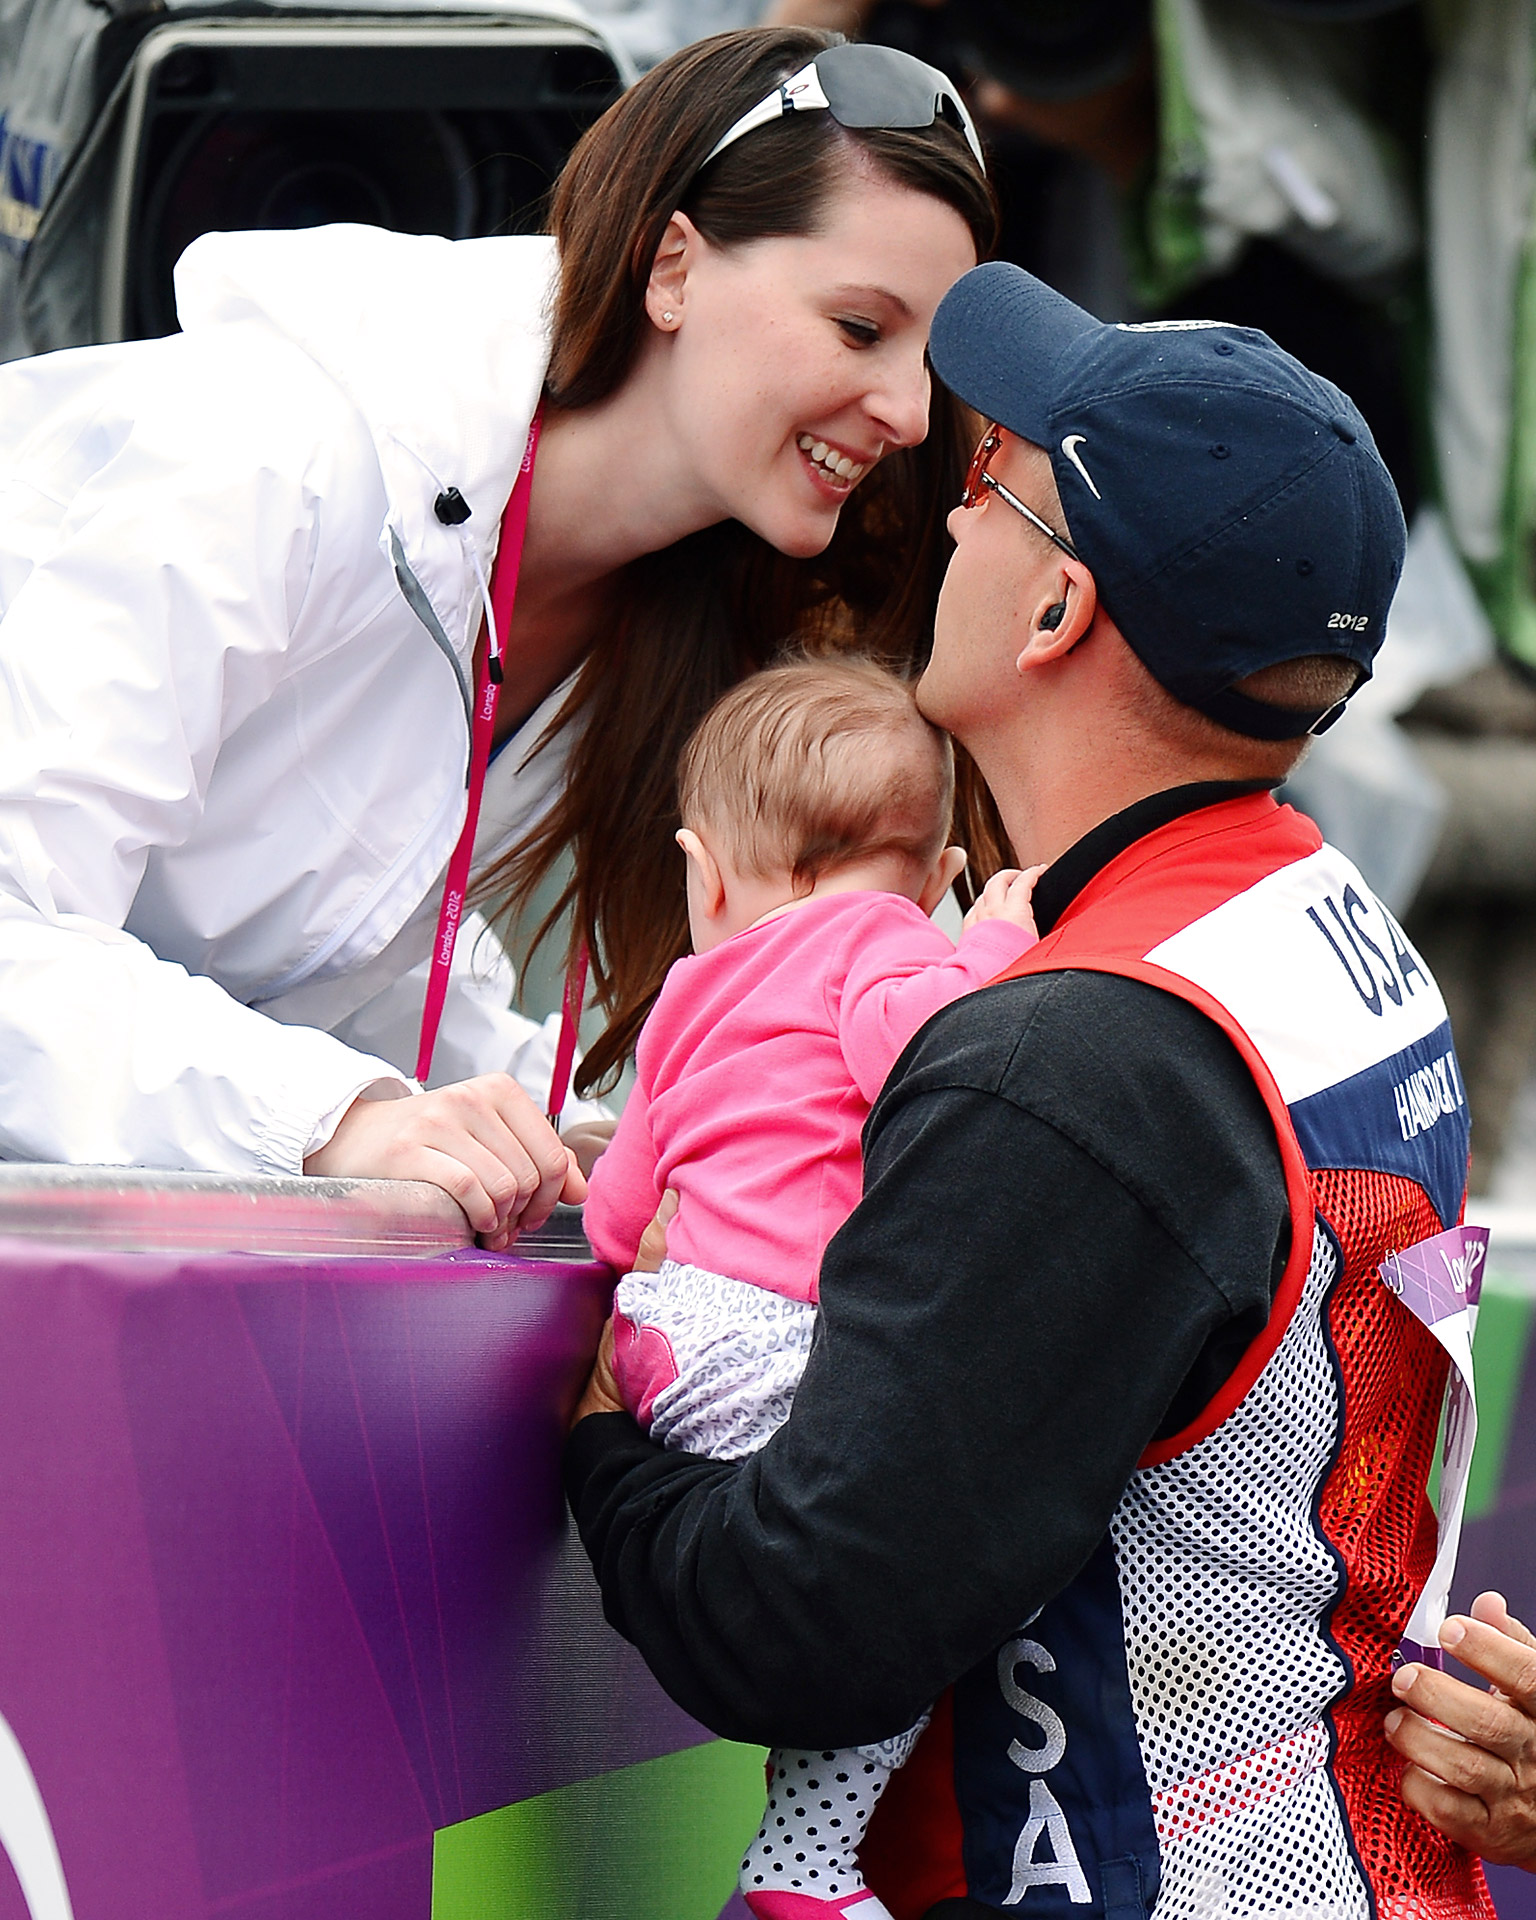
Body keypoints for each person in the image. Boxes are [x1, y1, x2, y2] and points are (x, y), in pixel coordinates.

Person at [566, 266, 1528, 1912]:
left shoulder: (1079, 1058)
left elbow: (808, 1625)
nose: (943, 524)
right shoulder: (1326, 923)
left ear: (1055, 613)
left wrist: (608, 1431)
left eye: (990, 489)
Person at [0, 29, 994, 1243]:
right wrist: (336, 1118)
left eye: (929, 361)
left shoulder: (661, 601)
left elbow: (342, 961)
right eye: (858, 327)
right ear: (670, 266)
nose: (905, 410)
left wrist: (595, 1137)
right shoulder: (270, 450)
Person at [583, 656, 1040, 1919]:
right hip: (786, 1349)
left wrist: (630, 1289)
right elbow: (912, 1050)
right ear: (938, 877)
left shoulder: (689, 988)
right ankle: (803, 1858)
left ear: (705, 870)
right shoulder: (887, 938)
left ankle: (797, 1846)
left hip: (669, 1338)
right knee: (891, 1597)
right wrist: (990, 945)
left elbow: (619, 1206)